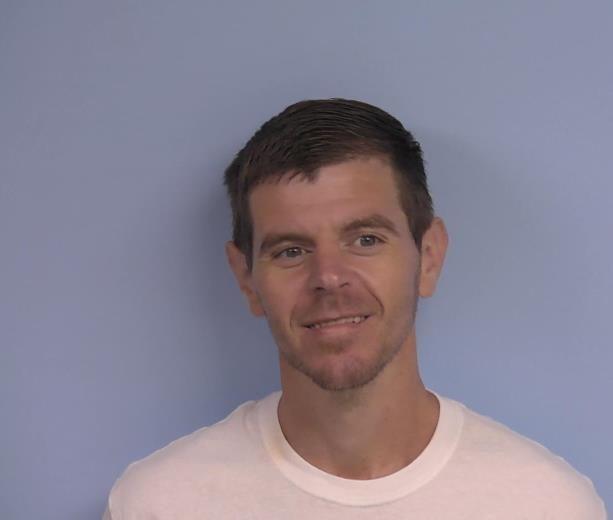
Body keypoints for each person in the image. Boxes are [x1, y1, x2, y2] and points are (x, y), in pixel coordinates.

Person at [103, 98, 606, 519]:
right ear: (246, 279)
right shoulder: (157, 504)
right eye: (290, 251)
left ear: (429, 257)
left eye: (366, 239)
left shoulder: (548, 505)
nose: (328, 277)